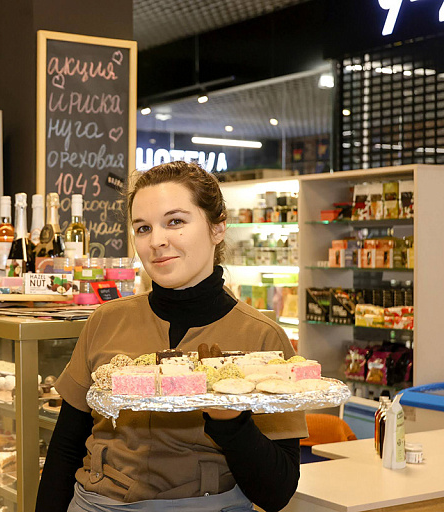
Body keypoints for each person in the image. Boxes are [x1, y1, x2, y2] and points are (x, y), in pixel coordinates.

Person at [36, 161, 307, 512]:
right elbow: (65, 449)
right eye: (143, 228)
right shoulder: (106, 320)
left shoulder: (262, 339)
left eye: (175, 222)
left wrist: (230, 420)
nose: (157, 241)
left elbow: (277, 492)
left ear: (218, 226)